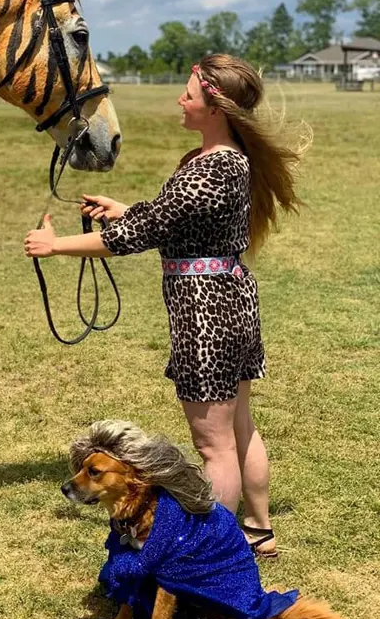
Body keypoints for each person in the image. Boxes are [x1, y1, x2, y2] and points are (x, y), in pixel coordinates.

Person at [24, 54, 311, 558]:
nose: (180, 100)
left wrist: (56, 245)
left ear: (215, 107)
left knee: (212, 445)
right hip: (229, 301)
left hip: (207, 315)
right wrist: (124, 209)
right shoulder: (220, 161)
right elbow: (167, 220)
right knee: (239, 428)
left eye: (189, 94)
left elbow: (142, 233)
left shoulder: (211, 167)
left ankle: (212, 553)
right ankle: (257, 530)